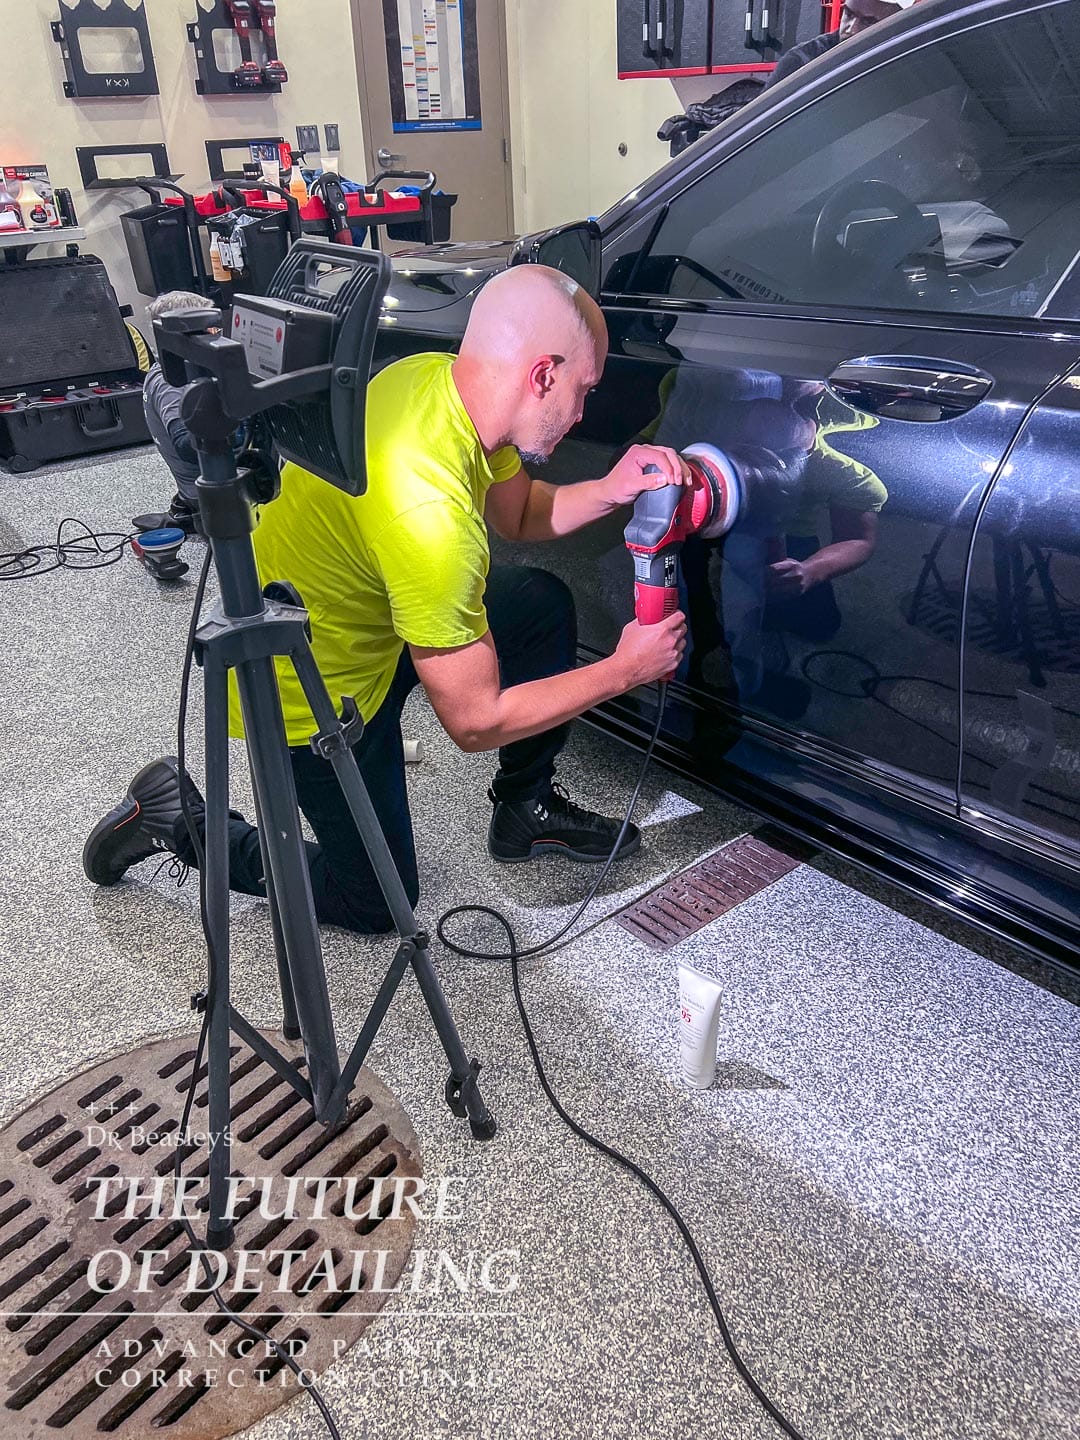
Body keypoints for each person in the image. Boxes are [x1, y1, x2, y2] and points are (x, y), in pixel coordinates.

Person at [83, 266, 690, 934]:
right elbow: (475, 722)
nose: (582, 412)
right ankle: (184, 821)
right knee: (376, 900)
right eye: (584, 389)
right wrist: (623, 670)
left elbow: (519, 515)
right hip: (311, 689)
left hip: (373, 619)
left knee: (538, 603)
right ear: (543, 374)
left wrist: (612, 486)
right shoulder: (431, 521)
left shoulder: (439, 379)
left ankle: (524, 811)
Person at [136, 290, 218, 535]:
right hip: (207, 493)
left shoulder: (172, 368)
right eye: (209, 329)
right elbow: (186, 445)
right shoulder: (171, 384)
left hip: (197, 488)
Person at [766, 0, 919, 88]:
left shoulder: (918, 62)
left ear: (898, 23)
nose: (851, 29)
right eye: (848, 14)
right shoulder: (802, 61)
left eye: (867, 22)